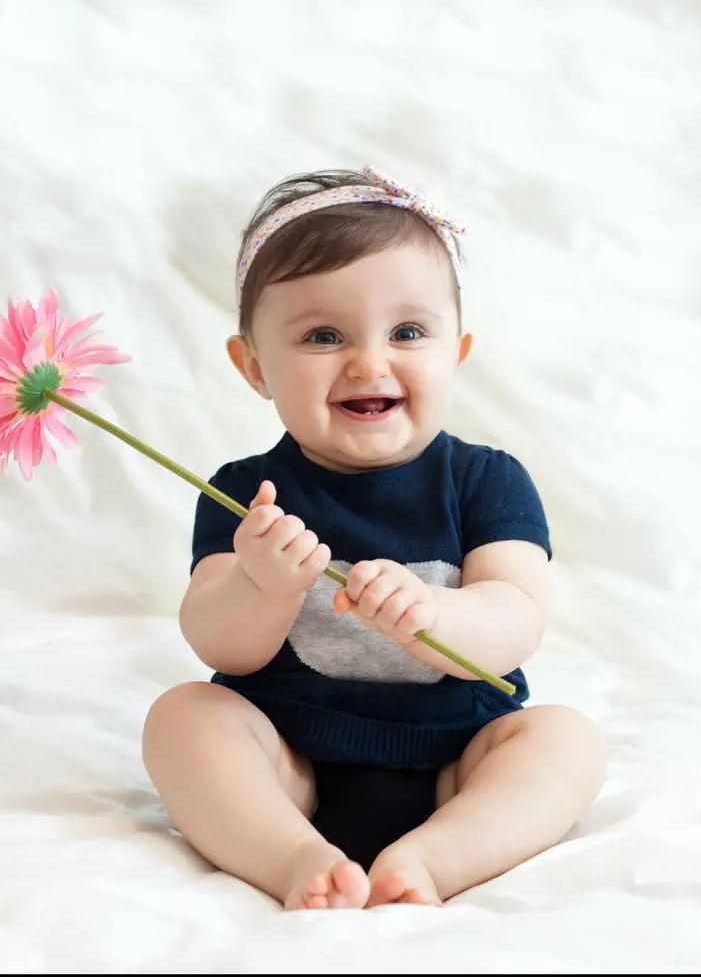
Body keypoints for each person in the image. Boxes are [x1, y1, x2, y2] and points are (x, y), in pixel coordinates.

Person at [142, 166, 606, 910]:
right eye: (323, 335)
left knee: (565, 741)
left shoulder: (487, 480)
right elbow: (219, 644)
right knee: (182, 719)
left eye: (409, 332)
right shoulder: (246, 490)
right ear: (254, 365)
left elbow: (518, 616)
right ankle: (293, 857)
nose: (369, 361)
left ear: (456, 352)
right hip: (291, 762)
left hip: (456, 758)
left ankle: (436, 855)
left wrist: (437, 616)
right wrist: (262, 584)